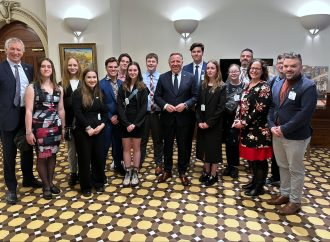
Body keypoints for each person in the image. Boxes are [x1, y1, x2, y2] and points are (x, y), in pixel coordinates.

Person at [267, 52, 317, 215]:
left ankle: (295, 201)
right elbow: (273, 107)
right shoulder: (279, 83)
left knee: (295, 169)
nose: (288, 69)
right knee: (282, 166)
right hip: (277, 133)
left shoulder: (308, 86)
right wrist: (272, 125)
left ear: (300, 67)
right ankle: (284, 194)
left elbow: (305, 114)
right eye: (286, 66)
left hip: (295, 136)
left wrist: (284, 128)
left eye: (293, 66)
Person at [0, 37, 42, 205]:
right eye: (13, 49)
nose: (16, 52)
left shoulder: (29, 68)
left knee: (27, 150)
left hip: (26, 117)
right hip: (6, 120)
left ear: (23, 52)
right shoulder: (1, 69)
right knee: (9, 155)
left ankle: (28, 178)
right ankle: (11, 188)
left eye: (19, 50)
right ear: (6, 50)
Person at [155, 53, 198, 186]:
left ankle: (182, 171)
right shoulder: (163, 77)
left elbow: (195, 96)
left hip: (184, 119)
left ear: (182, 62)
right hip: (167, 119)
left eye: (177, 61)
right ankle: (167, 171)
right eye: (172, 61)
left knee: (183, 146)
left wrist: (185, 105)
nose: (175, 63)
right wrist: (166, 105)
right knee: (167, 146)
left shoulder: (190, 77)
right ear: (169, 63)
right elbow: (157, 96)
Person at [25, 57, 65, 200]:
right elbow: (29, 110)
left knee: (52, 155)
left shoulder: (58, 88)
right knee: (42, 156)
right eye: (43, 66)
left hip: (55, 126)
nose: (46, 69)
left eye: (49, 66)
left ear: (52, 69)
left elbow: (61, 109)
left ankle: (50, 181)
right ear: (39, 69)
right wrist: (28, 131)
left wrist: (64, 128)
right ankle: (46, 185)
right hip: (40, 127)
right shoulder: (32, 87)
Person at [232, 59, 272, 197]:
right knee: (251, 159)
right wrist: (237, 119)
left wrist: (244, 122)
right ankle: (254, 181)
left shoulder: (264, 87)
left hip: (258, 129)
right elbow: (241, 105)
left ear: (262, 71)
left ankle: (259, 186)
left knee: (260, 160)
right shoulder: (248, 85)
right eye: (252, 68)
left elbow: (259, 109)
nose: (254, 70)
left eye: (257, 68)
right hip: (246, 129)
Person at [72, 69, 108, 197]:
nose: (92, 80)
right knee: (84, 159)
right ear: (84, 79)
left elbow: (105, 111)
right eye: (89, 77)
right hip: (83, 131)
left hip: (98, 130)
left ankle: (98, 182)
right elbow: (78, 113)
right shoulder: (77, 93)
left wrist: (102, 125)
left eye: (94, 77)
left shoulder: (99, 92)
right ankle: (86, 186)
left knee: (98, 157)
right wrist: (88, 128)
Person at [117, 61, 148, 187]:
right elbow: (119, 106)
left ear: (138, 72)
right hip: (125, 123)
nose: (132, 72)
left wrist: (134, 124)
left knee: (136, 148)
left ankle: (135, 171)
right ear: (127, 72)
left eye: (135, 70)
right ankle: (128, 172)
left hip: (138, 123)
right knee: (125, 148)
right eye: (130, 70)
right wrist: (126, 123)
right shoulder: (122, 87)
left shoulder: (142, 87)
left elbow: (143, 108)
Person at [196, 60, 226, 186]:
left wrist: (209, 123)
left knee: (213, 150)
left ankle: (214, 174)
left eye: (212, 68)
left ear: (217, 70)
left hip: (214, 125)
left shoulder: (221, 86)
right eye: (208, 68)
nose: (210, 70)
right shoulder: (202, 85)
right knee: (204, 148)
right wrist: (200, 121)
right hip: (202, 123)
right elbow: (198, 105)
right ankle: (206, 171)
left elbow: (221, 108)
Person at [99, 57, 125, 176]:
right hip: (107, 120)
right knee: (104, 146)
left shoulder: (122, 84)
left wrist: (119, 116)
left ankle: (118, 166)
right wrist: (110, 116)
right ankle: (100, 170)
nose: (113, 69)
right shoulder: (101, 84)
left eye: (115, 67)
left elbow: (125, 102)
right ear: (106, 68)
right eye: (110, 67)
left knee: (118, 145)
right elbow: (100, 104)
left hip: (119, 120)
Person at [140, 53, 164, 174]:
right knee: (142, 140)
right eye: (149, 61)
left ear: (157, 63)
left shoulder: (162, 77)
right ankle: (139, 162)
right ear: (146, 63)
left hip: (157, 113)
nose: (151, 63)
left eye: (153, 61)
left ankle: (158, 163)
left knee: (158, 140)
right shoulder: (140, 77)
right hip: (144, 114)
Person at [60, 56, 81, 187]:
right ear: (66, 67)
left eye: (75, 65)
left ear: (78, 67)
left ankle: (85, 171)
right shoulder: (62, 84)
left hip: (83, 123)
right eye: (70, 65)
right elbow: (61, 107)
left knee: (84, 149)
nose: (72, 67)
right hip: (69, 123)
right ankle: (73, 173)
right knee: (71, 150)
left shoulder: (84, 82)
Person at [265, 54, 285, 187]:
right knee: (275, 153)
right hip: (274, 125)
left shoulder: (301, 83)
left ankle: (286, 182)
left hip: (288, 127)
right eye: (280, 63)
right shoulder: (273, 81)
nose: (282, 66)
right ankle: (275, 176)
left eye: (285, 63)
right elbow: (270, 105)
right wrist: (271, 125)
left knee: (287, 157)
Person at [222, 64, 245, 179]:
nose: (234, 73)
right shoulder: (224, 86)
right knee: (228, 142)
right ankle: (229, 165)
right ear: (228, 73)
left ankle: (235, 166)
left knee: (235, 143)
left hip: (238, 118)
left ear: (239, 72)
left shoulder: (245, 86)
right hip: (226, 117)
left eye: (236, 71)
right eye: (232, 72)